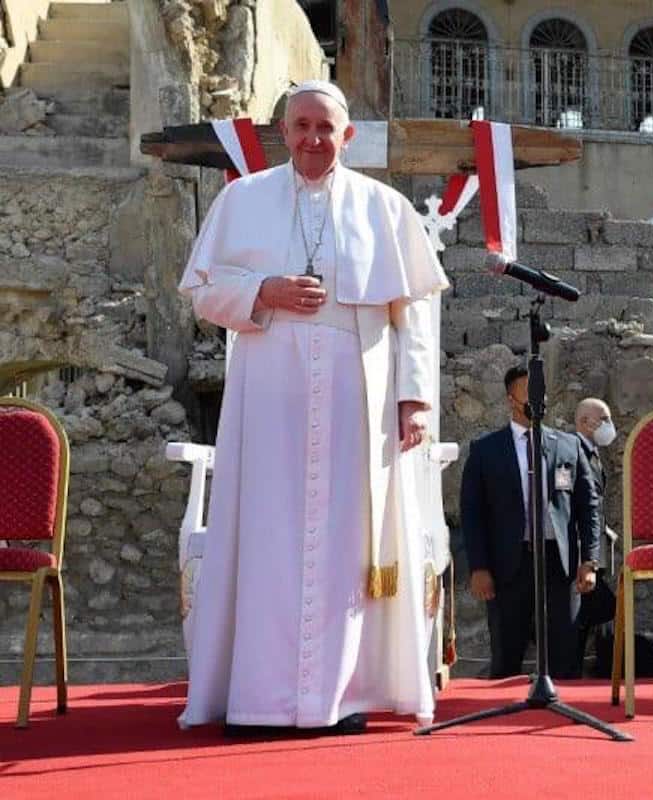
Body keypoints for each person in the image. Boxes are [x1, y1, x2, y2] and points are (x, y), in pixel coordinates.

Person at [176, 81, 448, 735]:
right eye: (300, 126)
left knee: (348, 544)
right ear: (284, 132)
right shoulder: (242, 200)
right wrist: (262, 289)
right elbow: (203, 294)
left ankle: (343, 695)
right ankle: (259, 699)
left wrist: (414, 399)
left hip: (359, 395)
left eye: (325, 128)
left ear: (346, 135)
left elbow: (411, 311)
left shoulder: (384, 208)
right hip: (268, 390)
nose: (312, 139)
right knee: (267, 537)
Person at [461, 366, 602, 679]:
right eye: (530, 391)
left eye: (542, 390)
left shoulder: (568, 445)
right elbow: (472, 512)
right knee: (507, 651)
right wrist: (479, 567)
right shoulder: (486, 451)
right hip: (509, 563)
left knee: (565, 652)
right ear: (512, 398)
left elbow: (588, 505)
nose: (539, 398)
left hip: (558, 561)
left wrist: (590, 561)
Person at [572, 397, 617, 674]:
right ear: (585, 422)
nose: (609, 426)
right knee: (589, 610)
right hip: (579, 551)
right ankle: (572, 668)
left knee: (593, 610)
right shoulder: (573, 451)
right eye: (604, 419)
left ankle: (576, 667)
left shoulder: (591, 452)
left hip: (592, 548)